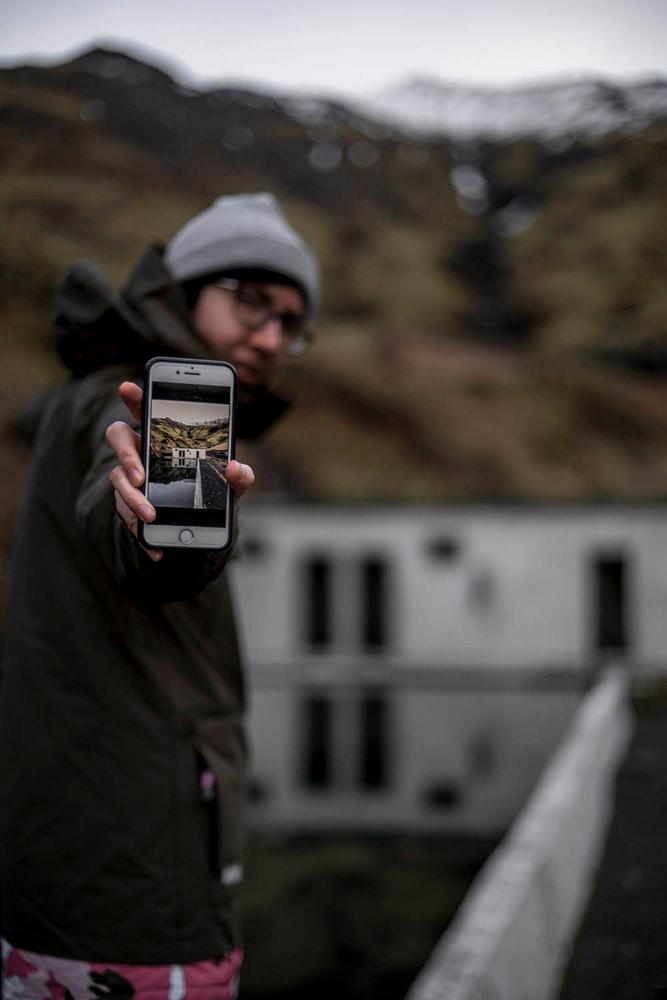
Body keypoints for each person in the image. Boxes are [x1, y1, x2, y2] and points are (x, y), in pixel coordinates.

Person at [0, 193, 319, 999]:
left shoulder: (100, 395)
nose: (271, 337)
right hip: (131, 899)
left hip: (93, 873)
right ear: (182, 289)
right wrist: (148, 525)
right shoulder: (118, 405)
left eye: (291, 322)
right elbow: (127, 524)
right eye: (251, 299)